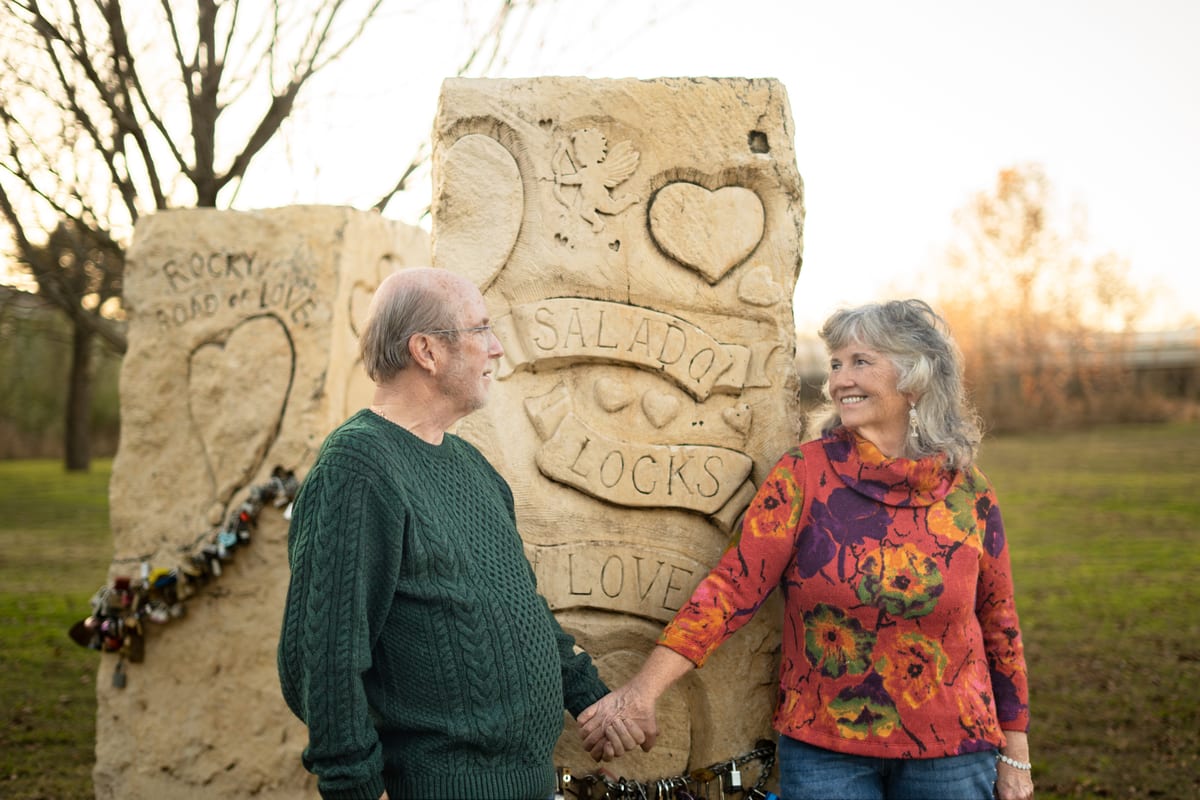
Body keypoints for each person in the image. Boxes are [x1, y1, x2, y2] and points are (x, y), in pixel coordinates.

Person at [579, 299, 1035, 800]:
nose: (839, 380)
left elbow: (1000, 624)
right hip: (825, 751)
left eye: (861, 362)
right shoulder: (805, 475)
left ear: (915, 379)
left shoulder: (970, 492)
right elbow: (731, 588)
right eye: (835, 364)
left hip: (953, 752)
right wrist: (643, 691)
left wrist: (1015, 755)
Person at [278, 267, 613, 800]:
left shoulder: (473, 468)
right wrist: (359, 790)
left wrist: (587, 696)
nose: (497, 348)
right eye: (481, 330)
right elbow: (324, 660)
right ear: (427, 351)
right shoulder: (357, 468)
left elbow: (519, 607)